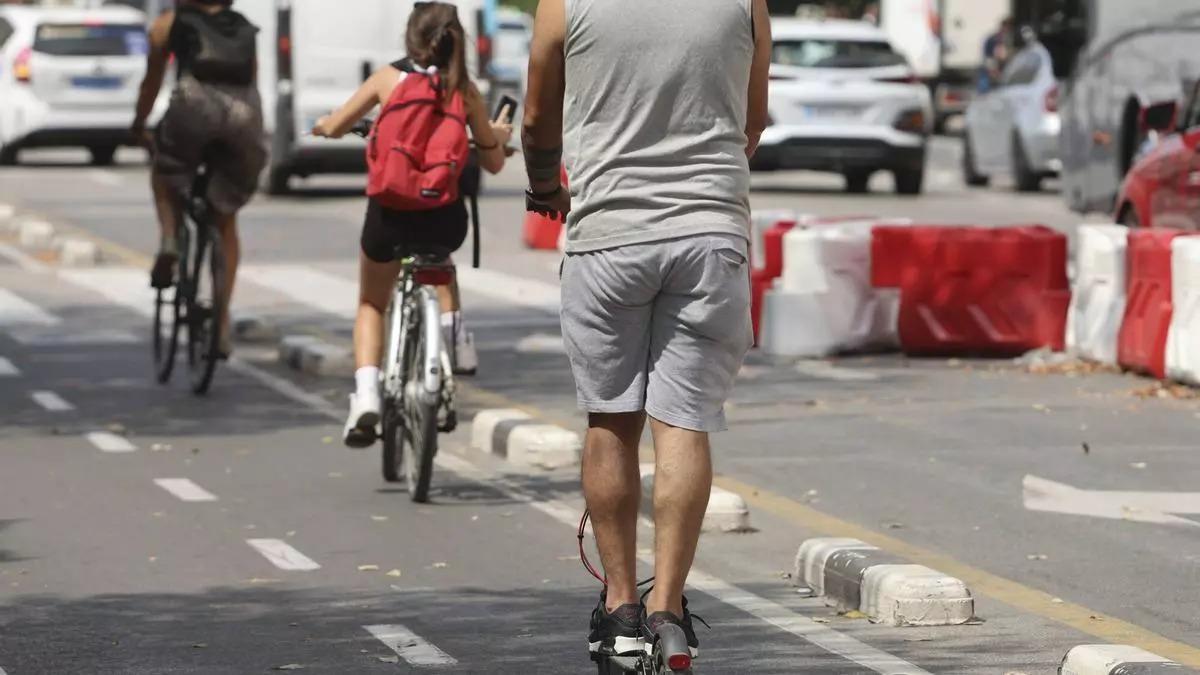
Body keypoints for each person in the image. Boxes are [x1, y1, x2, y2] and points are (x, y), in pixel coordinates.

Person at [522, 0, 770, 662]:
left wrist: (545, 185)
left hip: (609, 235)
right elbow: (753, 121)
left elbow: (537, 119)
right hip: (711, 236)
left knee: (612, 420)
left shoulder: (562, 4)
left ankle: (621, 609)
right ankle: (669, 610)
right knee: (684, 422)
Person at [311, 2, 512, 448]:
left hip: (390, 216)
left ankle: (366, 394)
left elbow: (338, 124)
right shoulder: (466, 92)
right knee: (442, 263)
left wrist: (323, 127)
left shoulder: (387, 79)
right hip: (443, 219)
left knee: (371, 302)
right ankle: (455, 345)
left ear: (411, 38)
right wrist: (496, 138)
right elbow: (495, 164)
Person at [132, 0, 266, 357]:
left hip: (193, 106)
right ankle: (221, 323)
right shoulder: (243, 26)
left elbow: (152, 82)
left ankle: (169, 239)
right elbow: (252, 79)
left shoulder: (166, 25)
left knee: (164, 168)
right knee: (226, 218)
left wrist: (139, 124)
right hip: (243, 115)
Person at [980, 16, 1013, 92]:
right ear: (1004, 27)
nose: (1009, 29)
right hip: (992, 67)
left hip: (999, 67)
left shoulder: (1004, 38)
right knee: (987, 89)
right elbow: (991, 56)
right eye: (1008, 27)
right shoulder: (995, 39)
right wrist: (994, 69)